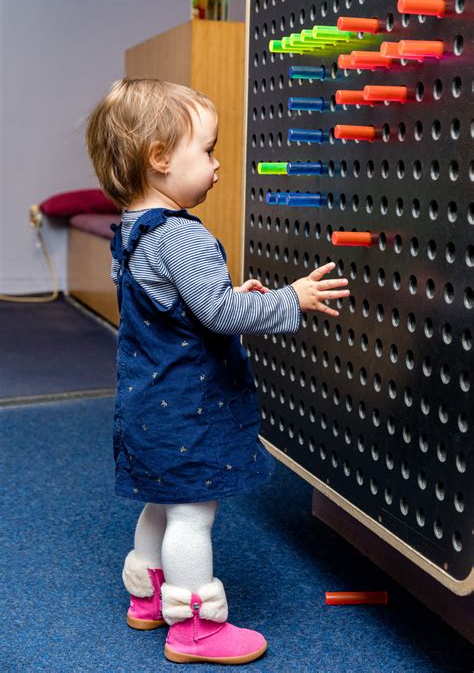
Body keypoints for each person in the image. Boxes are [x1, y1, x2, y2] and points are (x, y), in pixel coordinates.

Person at [85, 78, 350, 665]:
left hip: (147, 403)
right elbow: (219, 313)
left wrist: (223, 297)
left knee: (162, 499)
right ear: (159, 160)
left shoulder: (132, 229)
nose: (218, 164)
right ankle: (195, 626)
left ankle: (149, 598)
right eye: (206, 151)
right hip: (186, 407)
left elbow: (179, 307)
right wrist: (291, 298)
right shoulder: (179, 235)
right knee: (192, 512)